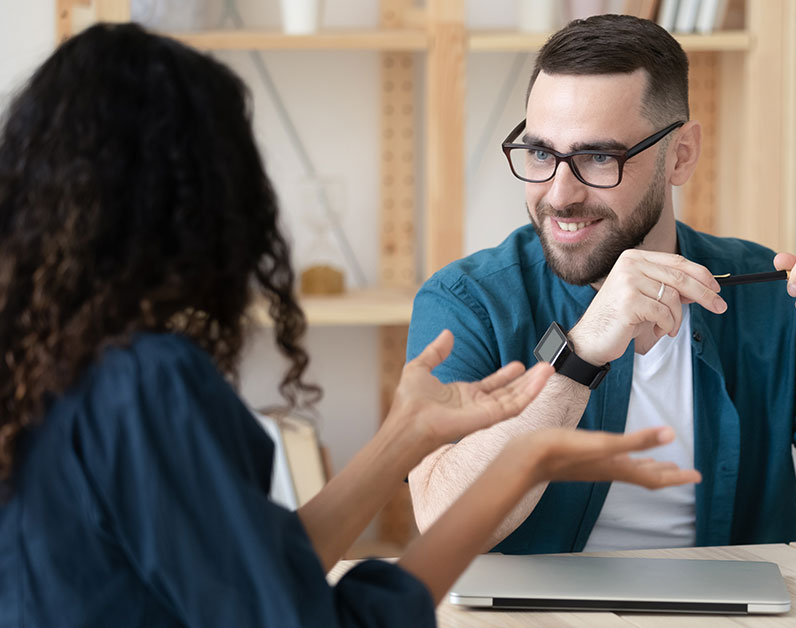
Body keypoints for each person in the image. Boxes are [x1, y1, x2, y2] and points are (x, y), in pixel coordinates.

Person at [0, 23, 701, 627]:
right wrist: (522, 461)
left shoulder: (46, 365)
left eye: (599, 155)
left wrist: (405, 435)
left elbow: (265, 570)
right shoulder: (145, 384)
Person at [407, 14, 796, 555]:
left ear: (680, 154)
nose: (559, 195)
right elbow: (445, 526)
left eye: (598, 157)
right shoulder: (467, 301)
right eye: (542, 154)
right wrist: (581, 354)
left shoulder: (773, 297)